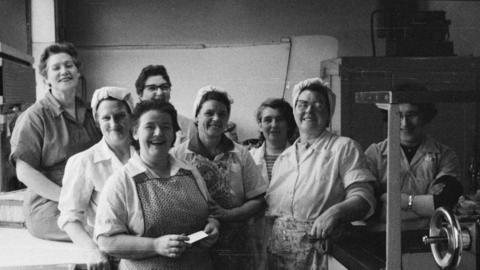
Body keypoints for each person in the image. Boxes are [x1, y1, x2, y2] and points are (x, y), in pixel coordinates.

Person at [265, 78, 376, 270]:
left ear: (328, 113)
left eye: (318, 105)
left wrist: (335, 212)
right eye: (303, 105)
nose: (309, 110)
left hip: (321, 252)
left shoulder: (344, 147)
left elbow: (364, 199)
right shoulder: (284, 158)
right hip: (279, 254)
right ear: (294, 111)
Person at [95, 100, 219, 270]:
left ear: (174, 134)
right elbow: (106, 241)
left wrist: (213, 226)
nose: (158, 133)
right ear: (135, 132)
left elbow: (211, 213)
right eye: (150, 127)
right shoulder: (121, 182)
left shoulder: (191, 172)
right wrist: (155, 245)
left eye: (166, 127)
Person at [10, 42, 101, 241]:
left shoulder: (92, 113)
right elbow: (24, 172)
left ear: (78, 72)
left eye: (69, 65)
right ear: (46, 78)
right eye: (56, 68)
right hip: (50, 207)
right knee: (107, 233)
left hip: (89, 202)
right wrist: (69, 199)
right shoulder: (35, 117)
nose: (64, 71)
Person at [171, 86, 268, 270]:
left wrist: (228, 215)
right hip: (193, 245)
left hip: (234, 244)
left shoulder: (241, 154)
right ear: (197, 117)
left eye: (222, 114)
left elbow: (258, 199)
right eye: (209, 113)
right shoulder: (178, 155)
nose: (216, 118)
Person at [365, 82, 463, 230]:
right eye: (398, 115)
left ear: (425, 116)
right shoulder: (374, 154)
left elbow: (443, 202)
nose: (405, 123)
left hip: (430, 240)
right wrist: (425, 208)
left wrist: (404, 202)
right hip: (383, 241)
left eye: (412, 115)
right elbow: (371, 210)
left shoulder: (445, 156)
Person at [58, 86, 137, 268]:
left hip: (144, 251)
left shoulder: (143, 158)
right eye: (106, 118)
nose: (114, 123)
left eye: (120, 116)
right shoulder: (84, 162)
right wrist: (92, 250)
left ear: (131, 117)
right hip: (109, 256)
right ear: (96, 121)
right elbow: (69, 218)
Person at [248, 98, 296, 270]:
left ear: (289, 124)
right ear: (260, 125)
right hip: (255, 233)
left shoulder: (301, 158)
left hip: (290, 237)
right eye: (268, 120)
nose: (274, 124)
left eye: (280, 119)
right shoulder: (248, 158)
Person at [135, 64, 195, 146]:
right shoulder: (129, 123)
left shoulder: (188, 127)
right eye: (152, 88)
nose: (160, 93)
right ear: (140, 94)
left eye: (164, 87)